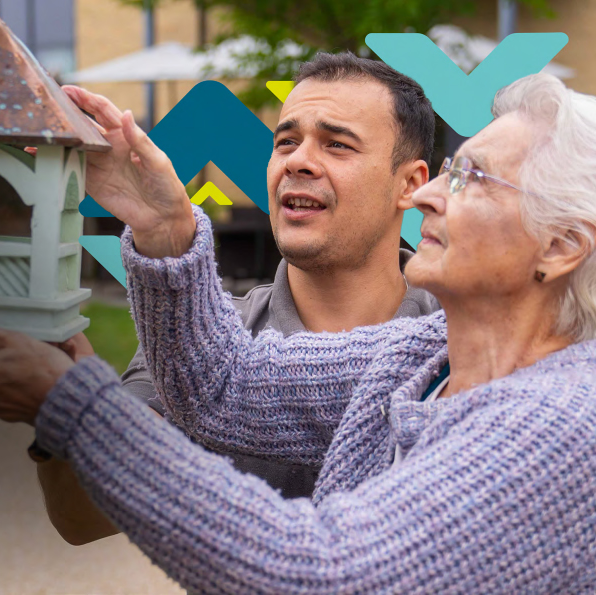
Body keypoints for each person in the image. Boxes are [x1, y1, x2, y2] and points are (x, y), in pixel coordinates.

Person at [0, 72, 596, 593]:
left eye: (473, 180)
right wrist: (163, 226)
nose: (433, 195)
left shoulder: (568, 426)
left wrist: (78, 407)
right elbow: (220, 388)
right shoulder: (423, 355)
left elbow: (322, 575)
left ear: (563, 246)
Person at [36, 52, 440, 544]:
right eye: (286, 141)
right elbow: (81, 515)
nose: (298, 161)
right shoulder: (195, 335)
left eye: (337, 145)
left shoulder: (462, 336)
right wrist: (60, 400)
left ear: (411, 184)